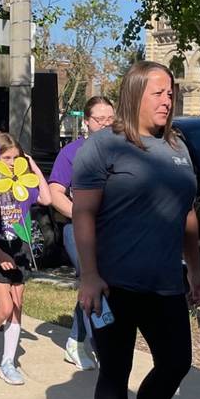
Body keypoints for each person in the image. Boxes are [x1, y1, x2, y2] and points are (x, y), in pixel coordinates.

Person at [74, 61, 200, 399]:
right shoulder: (105, 146)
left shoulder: (179, 147)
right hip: (113, 283)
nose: (168, 100)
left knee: (176, 362)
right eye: (159, 92)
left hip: (165, 280)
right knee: (115, 370)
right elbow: (83, 213)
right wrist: (89, 276)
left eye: (171, 92)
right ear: (134, 95)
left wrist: (197, 268)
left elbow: (187, 213)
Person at [0, 132, 48, 385]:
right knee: (4, 308)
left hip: (20, 250)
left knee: (17, 307)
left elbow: (47, 198)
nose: (12, 162)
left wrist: (32, 165)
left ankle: (8, 361)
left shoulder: (24, 184)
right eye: (6, 157)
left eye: (16, 157)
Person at [48, 96, 115, 370]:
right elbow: (55, 193)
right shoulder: (72, 153)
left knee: (97, 285)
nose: (106, 124)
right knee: (97, 283)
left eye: (111, 119)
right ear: (87, 122)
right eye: (100, 119)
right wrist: (82, 215)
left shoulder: (121, 152)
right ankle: (105, 349)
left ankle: (75, 341)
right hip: (77, 231)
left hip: (110, 231)